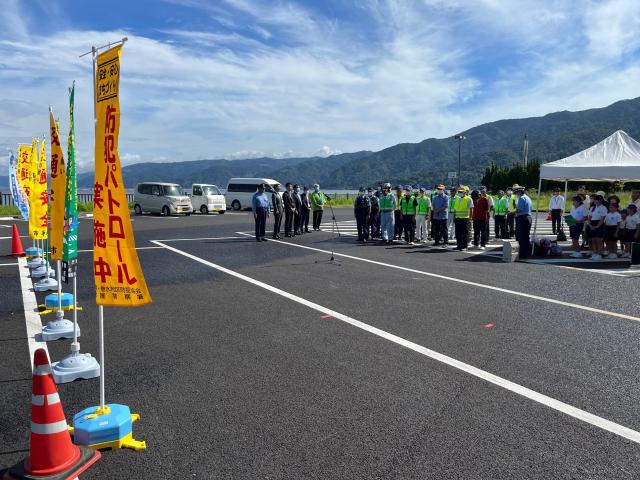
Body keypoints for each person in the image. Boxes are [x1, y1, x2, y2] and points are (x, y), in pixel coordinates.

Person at [585, 192, 607, 260]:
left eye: (596, 200)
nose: (595, 201)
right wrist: (590, 225)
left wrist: (597, 226)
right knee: (593, 239)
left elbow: (602, 219)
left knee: (599, 240)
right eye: (594, 199)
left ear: (600, 200)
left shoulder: (603, 208)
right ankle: (594, 253)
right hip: (592, 223)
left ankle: (599, 254)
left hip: (599, 224)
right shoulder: (592, 208)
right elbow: (589, 217)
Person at [514, 185, 532, 259]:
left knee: (521, 237)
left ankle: (522, 254)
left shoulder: (521, 198)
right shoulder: (528, 198)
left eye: (516, 192)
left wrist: (512, 212)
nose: (516, 194)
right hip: (528, 218)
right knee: (526, 236)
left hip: (522, 218)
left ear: (519, 191)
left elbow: (519, 210)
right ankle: (527, 253)